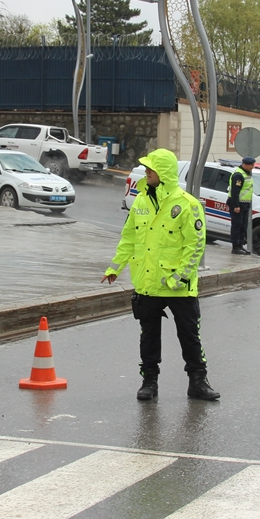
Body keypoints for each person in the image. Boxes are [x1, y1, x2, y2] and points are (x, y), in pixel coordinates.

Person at [102, 148, 220, 402]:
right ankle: (149, 382)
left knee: (189, 335)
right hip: (148, 283)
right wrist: (115, 267)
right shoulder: (141, 201)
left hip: (178, 287)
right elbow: (129, 237)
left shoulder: (187, 204)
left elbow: (196, 245)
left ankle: (198, 382)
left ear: (163, 172)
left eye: (150, 169)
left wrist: (178, 277)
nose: (146, 172)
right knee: (149, 336)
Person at [228, 156, 256, 254]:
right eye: (251, 165)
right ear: (245, 164)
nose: (253, 166)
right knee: (237, 225)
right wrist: (236, 206)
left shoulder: (247, 173)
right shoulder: (238, 175)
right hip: (237, 204)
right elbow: (235, 192)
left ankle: (240, 245)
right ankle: (235, 246)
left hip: (245, 204)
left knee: (243, 226)